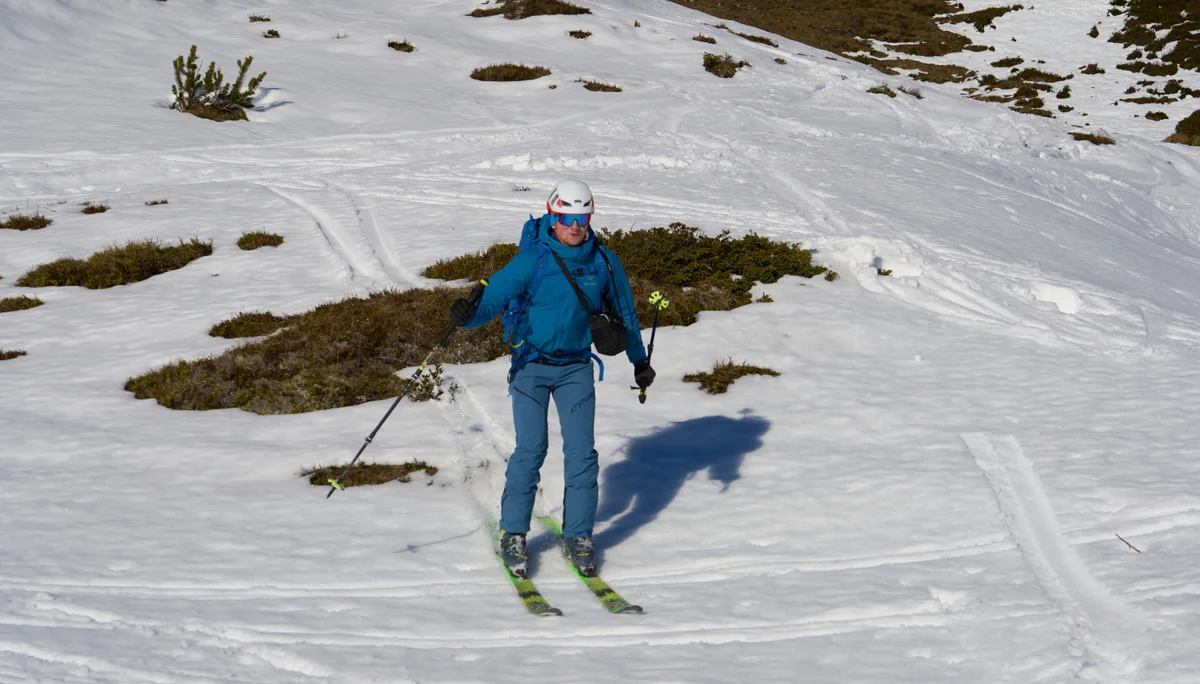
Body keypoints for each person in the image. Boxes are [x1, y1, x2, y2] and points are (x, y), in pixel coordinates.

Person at [449, 179, 656, 578]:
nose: (575, 226)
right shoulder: (534, 259)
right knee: (532, 449)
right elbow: (492, 299)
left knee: (582, 454)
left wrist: (639, 360)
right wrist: (468, 317)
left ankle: (578, 535)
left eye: (582, 217)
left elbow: (626, 314)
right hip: (530, 366)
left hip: (576, 367)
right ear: (552, 215)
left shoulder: (604, 262)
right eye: (566, 217)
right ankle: (513, 534)